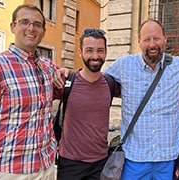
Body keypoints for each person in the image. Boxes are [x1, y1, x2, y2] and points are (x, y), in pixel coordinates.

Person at [103, 19, 179, 179]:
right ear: (139, 42)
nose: (152, 44)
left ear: (165, 39)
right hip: (134, 158)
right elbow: (94, 81)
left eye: (156, 38)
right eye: (147, 39)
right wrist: (69, 74)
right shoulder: (123, 65)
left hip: (167, 159)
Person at [0, 4, 58, 180]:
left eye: (37, 24)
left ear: (43, 31)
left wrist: (63, 71)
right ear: (13, 26)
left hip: (46, 167)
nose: (31, 28)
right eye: (24, 22)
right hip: (10, 171)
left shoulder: (47, 67)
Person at [53, 29, 120, 180]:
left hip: (100, 163)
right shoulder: (66, 81)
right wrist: (54, 72)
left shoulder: (111, 84)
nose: (95, 56)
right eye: (89, 50)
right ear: (80, 52)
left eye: (100, 50)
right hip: (70, 164)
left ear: (106, 52)